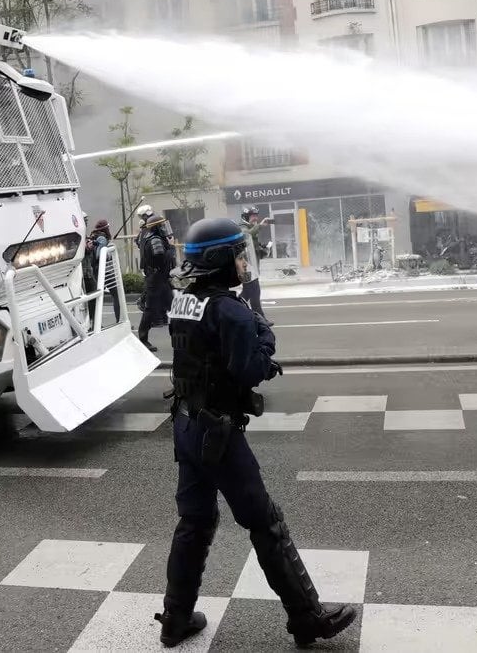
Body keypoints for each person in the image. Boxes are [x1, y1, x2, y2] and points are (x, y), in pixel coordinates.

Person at [155, 217, 355, 648]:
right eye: (239, 255)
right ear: (220, 260)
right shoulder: (230, 310)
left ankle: (175, 619)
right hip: (218, 434)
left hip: (186, 426)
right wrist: (264, 336)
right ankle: (307, 618)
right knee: (266, 523)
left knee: (195, 521)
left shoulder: (184, 301)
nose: (244, 263)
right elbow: (250, 370)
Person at [136, 205, 175, 352]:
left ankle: (182, 336)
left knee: (174, 307)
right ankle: (142, 339)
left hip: (160, 279)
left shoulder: (149, 236)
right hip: (156, 279)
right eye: (161, 225)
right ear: (157, 227)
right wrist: (171, 248)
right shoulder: (155, 240)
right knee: (150, 310)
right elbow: (161, 259)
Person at [83, 219, 121, 323]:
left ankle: (94, 323)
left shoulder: (93, 236)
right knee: (116, 295)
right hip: (105, 271)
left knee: (97, 298)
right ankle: (119, 320)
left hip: (95, 271)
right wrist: (108, 251)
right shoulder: (102, 238)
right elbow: (99, 255)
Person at [237, 207, 271, 318]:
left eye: (256, 215)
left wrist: (264, 249)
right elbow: (246, 236)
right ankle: (260, 317)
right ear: (246, 217)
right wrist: (259, 226)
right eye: (253, 216)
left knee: (247, 292)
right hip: (245, 266)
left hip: (253, 265)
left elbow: (253, 248)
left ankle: (235, 310)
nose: (255, 218)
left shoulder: (251, 227)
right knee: (255, 291)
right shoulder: (242, 227)